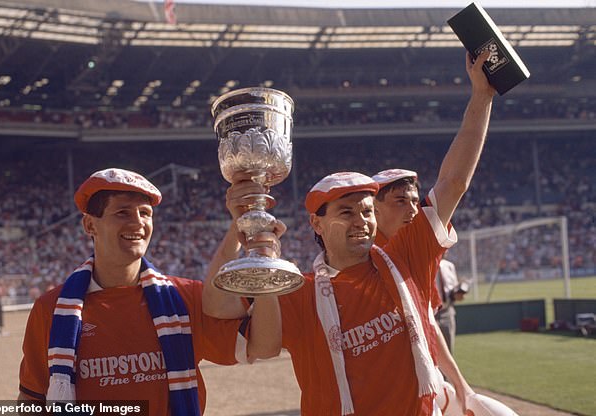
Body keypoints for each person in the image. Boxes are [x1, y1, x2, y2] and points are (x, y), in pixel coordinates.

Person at [204, 50, 495, 415]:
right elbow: (222, 312)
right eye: (346, 212)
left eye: (367, 211)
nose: (362, 221)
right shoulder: (298, 291)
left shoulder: (406, 257)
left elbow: (454, 182)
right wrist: (240, 227)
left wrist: (481, 97)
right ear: (317, 224)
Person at [18, 168, 280, 415]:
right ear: (90, 226)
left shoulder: (184, 298)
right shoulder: (51, 309)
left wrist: (264, 261)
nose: (137, 223)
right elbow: (32, 399)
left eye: (145, 213)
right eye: (122, 212)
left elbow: (263, 346)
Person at [371, 169, 474, 413]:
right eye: (401, 201)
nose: (413, 210)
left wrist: (460, 383)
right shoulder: (354, 255)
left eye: (415, 201)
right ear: (374, 208)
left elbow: (426, 321)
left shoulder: (412, 254)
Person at [435, 253, 468, 353]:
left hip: (447, 312)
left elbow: (453, 289)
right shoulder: (425, 266)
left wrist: (459, 294)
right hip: (431, 314)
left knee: (448, 351)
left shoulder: (449, 266)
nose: (446, 250)